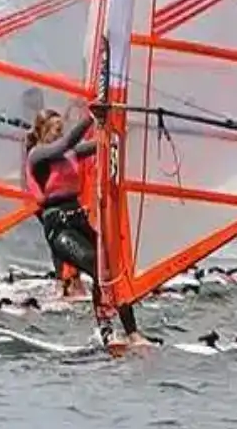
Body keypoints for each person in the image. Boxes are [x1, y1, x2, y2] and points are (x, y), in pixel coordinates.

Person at [25, 105, 157, 349]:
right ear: (42, 131)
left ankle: (132, 332)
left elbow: (102, 144)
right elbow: (65, 144)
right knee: (97, 265)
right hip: (59, 229)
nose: (59, 133)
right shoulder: (38, 155)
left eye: (61, 129)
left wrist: (122, 130)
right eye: (54, 130)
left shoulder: (69, 153)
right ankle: (106, 331)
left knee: (111, 269)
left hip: (79, 221)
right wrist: (90, 118)